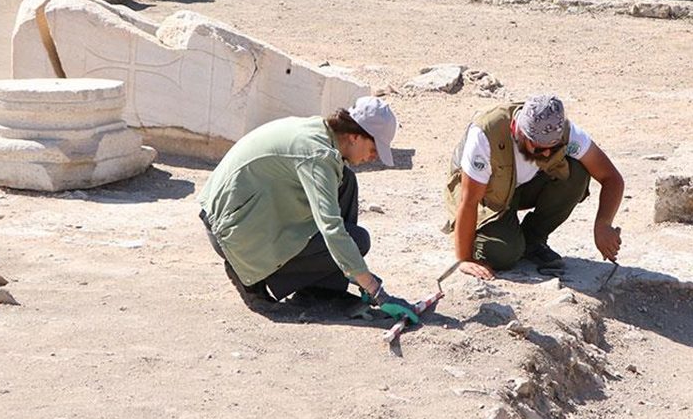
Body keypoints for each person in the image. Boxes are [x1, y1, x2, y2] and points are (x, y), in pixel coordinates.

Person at [199, 96, 418, 322]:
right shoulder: (319, 156)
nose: (373, 158)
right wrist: (376, 291)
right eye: (373, 149)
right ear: (354, 136)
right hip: (231, 233)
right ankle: (253, 280)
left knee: (346, 181)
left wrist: (356, 271)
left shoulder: (321, 133)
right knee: (358, 240)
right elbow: (332, 229)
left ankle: (322, 289)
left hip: (232, 216)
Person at [444, 94, 624, 280]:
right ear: (517, 130)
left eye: (553, 148)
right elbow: (469, 200)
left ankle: (532, 241)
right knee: (502, 254)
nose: (546, 153)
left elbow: (611, 178)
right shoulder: (486, 133)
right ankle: (503, 240)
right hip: (485, 194)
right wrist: (464, 258)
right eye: (537, 148)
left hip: (519, 187)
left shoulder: (565, 132)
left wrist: (603, 224)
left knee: (576, 173)